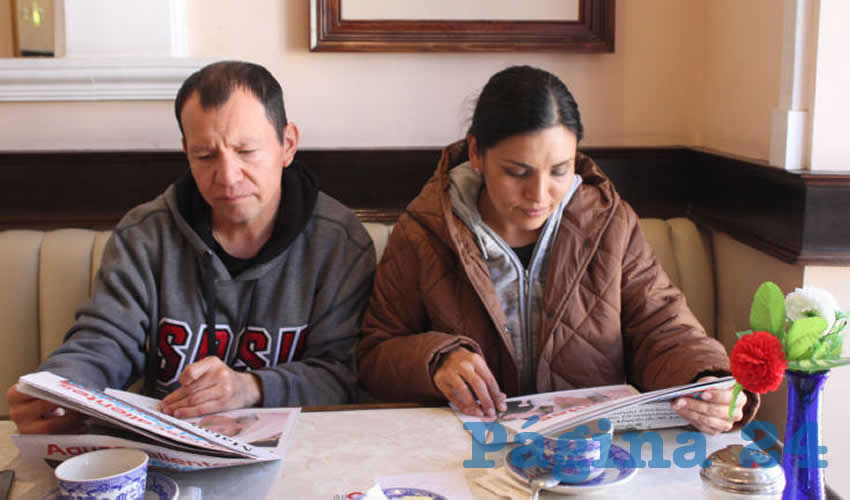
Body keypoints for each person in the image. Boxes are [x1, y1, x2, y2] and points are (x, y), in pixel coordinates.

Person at [358, 65, 757, 434]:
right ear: (476, 152)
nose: (539, 194)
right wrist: (435, 360)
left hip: (592, 455)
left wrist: (705, 381)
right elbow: (374, 354)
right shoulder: (425, 230)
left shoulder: (608, 224)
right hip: (467, 453)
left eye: (560, 170)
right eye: (517, 172)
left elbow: (661, 326)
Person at [7, 61, 376, 434]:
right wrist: (59, 390)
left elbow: (343, 376)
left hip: (300, 446)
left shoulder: (338, 241)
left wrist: (251, 387)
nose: (228, 176)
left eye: (246, 151)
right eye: (205, 156)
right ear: (186, 151)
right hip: (167, 447)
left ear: (288, 144)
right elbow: (104, 342)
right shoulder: (145, 234)